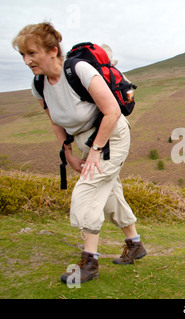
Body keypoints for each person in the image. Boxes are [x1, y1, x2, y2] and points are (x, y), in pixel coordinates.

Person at [12, 22, 146, 284]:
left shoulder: (79, 70)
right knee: (109, 192)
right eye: (23, 55)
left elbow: (112, 111)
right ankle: (135, 244)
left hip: (111, 136)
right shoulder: (39, 84)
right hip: (86, 142)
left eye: (31, 53)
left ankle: (90, 262)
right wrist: (68, 153)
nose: (27, 60)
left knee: (86, 190)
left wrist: (95, 151)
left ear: (52, 50)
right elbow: (55, 119)